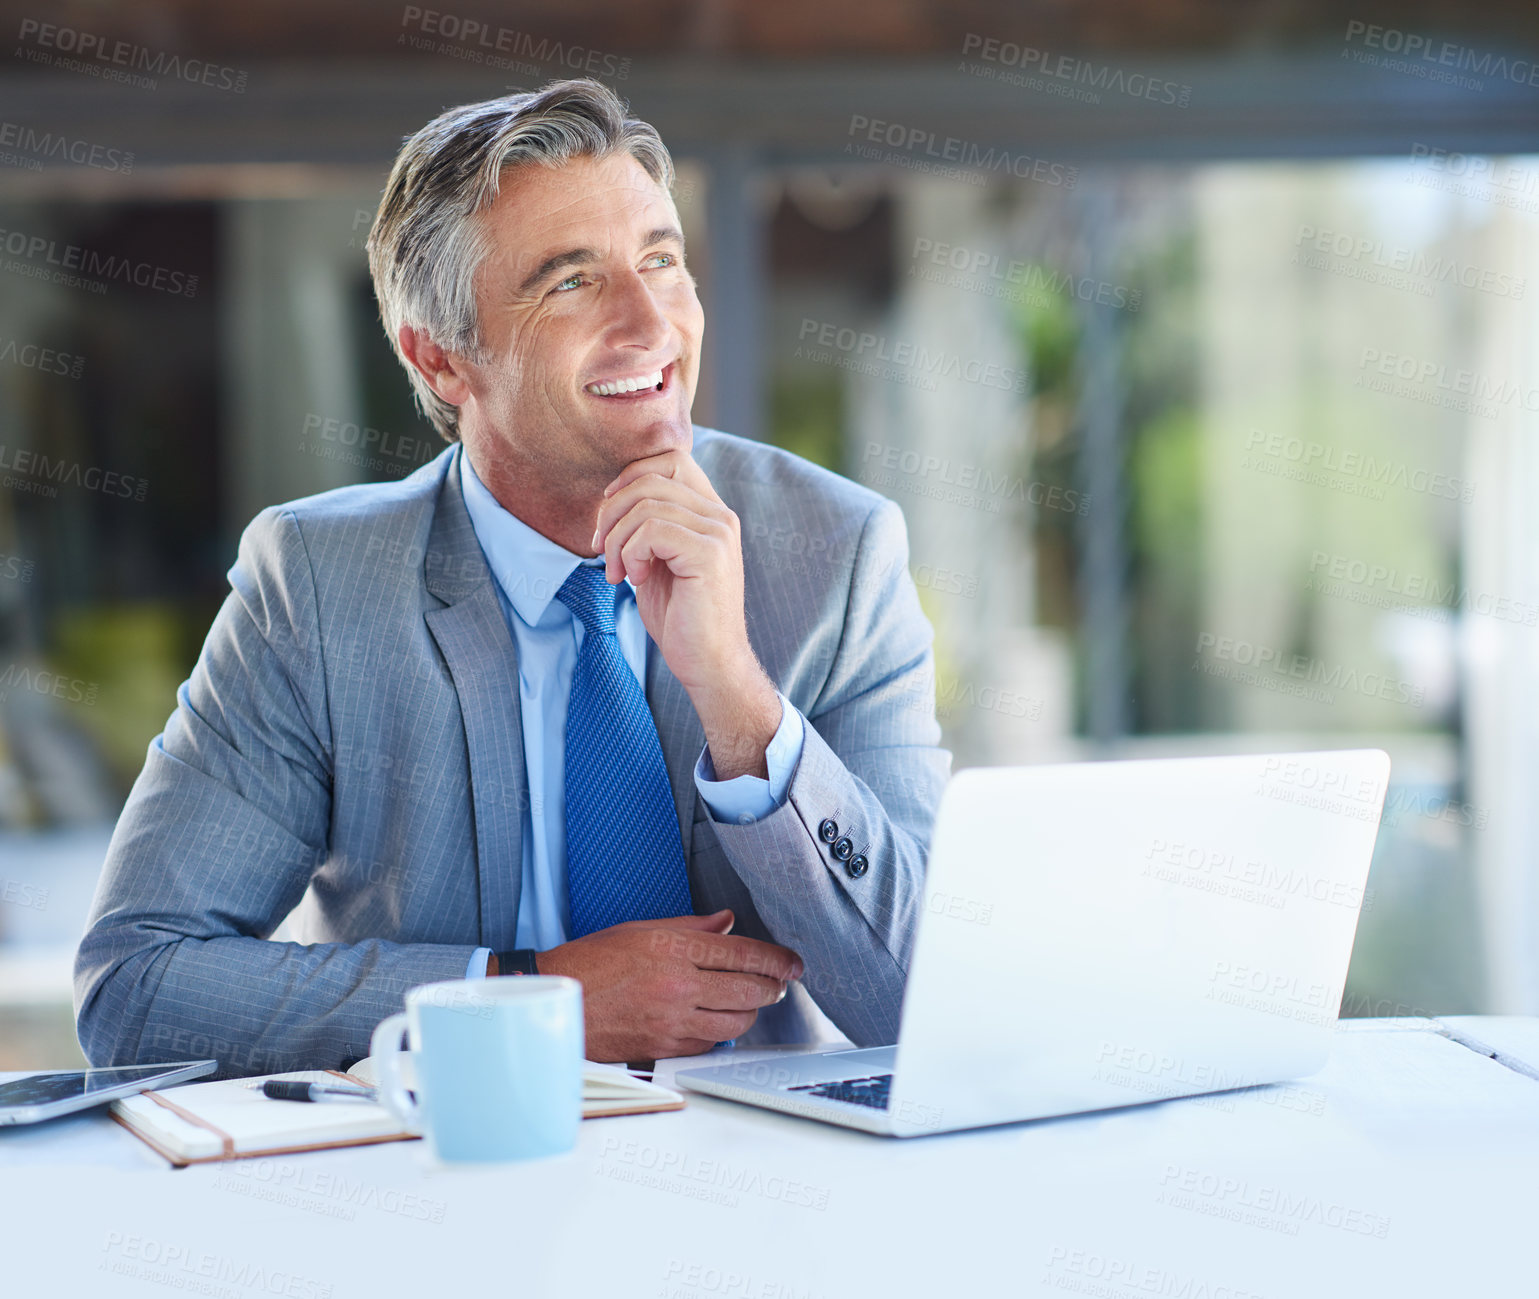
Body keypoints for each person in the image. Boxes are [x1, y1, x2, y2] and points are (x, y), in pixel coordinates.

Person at [74, 78, 950, 1078]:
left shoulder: (839, 554)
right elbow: (137, 985)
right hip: (448, 1178)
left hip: (764, 1184)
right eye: (570, 280)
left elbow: (924, 999)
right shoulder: (317, 591)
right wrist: (536, 997)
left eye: (661, 261)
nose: (650, 323)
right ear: (442, 361)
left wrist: (738, 698)